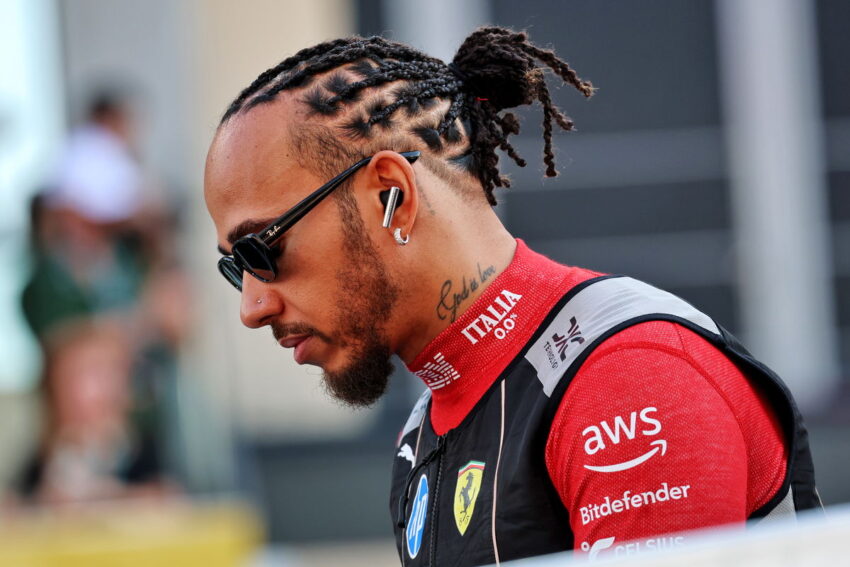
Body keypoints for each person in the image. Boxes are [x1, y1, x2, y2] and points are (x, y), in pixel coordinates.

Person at [204, 27, 821, 565]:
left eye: (261, 251)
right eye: (236, 269)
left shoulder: (627, 377)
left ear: (391, 195)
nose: (252, 307)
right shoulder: (422, 432)